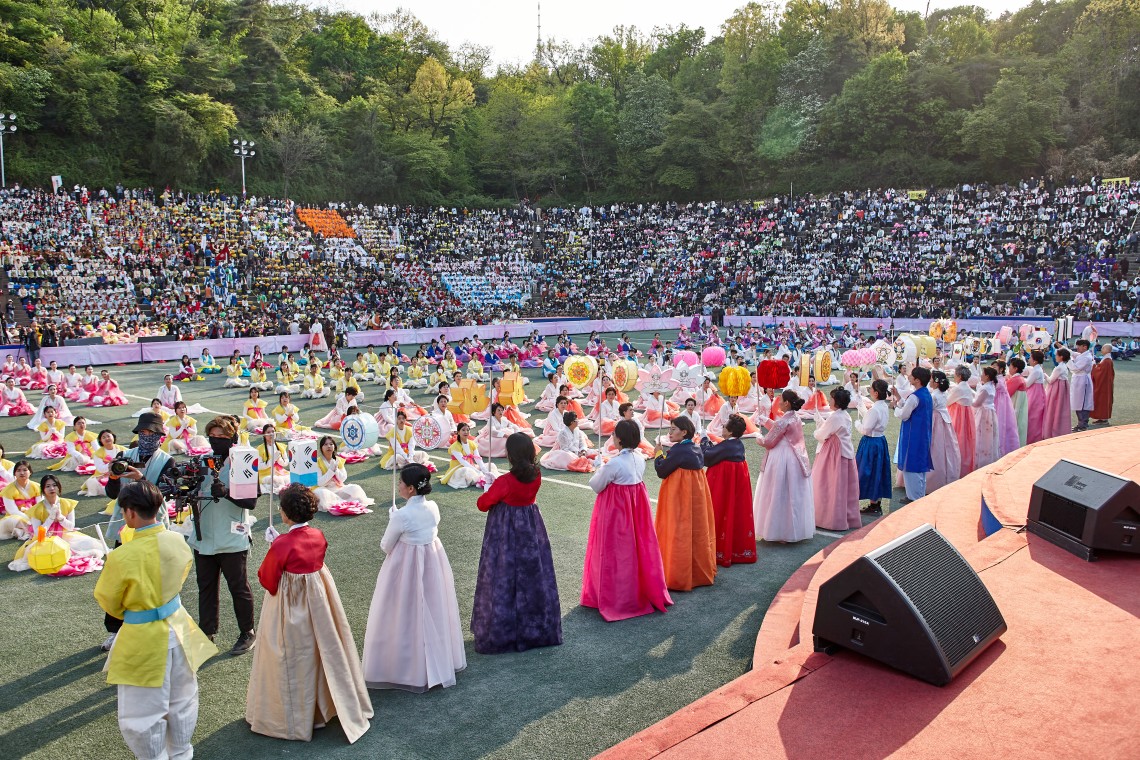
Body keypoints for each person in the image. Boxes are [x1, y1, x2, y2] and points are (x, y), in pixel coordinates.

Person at [94, 480, 218, 760]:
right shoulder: (177, 540)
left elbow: (110, 603)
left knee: (142, 712)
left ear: (129, 513)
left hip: (143, 637)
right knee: (183, 699)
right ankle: (182, 753)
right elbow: (183, 572)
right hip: (179, 627)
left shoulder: (121, 556)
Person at [246, 485, 373, 744]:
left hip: (290, 604)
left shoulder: (282, 544)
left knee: (291, 658)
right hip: (319, 601)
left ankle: (295, 717)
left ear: (286, 514)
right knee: (322, 650)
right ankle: (323, 706)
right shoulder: (317, 534)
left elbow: (268, 580)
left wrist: (274, 545)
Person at [362, 464, 466, 691]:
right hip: (432, 563)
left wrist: (394, 518)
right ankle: (436, 660)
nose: (398, 485)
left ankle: (406, 667)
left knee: (404, 613)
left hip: (406, 567)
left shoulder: (402, 515)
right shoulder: (434, 508)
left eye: (400, 482)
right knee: (433, 609)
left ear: (410, 488)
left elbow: (386, 546)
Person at [472, 433, 562, 653]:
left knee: (503, 577)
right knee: (532, 577)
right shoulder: (537, 474)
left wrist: (489, 486)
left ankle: (504, 630)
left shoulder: (505, 482)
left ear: (511, 454)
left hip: (505, 534)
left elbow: (482, 504)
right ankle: (534, 626)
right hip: (531, 530)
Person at [581, 420, 673, 621]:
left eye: (614, 434)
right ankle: (639, 589)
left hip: (616, 514)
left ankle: (616, 597)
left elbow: (596, 485)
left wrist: (600, 467)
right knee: (637, 550)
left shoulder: (614, 463)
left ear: (619, 439)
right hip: (637, 511)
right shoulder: (639, 458)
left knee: (614, 553)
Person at [184, 416, 259, 656]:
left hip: (232, 537)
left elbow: (251, 502)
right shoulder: (203, 461)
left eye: (222, 437)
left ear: (233, 439)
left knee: (238, 586)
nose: (216, 441)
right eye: (212, 437)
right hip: (203, 535)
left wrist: (227, 492)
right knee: (205, 586)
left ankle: (247, 631)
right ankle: (206, 633)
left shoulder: (244, 460)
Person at [652, 415, 716, 591]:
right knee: (696, 533)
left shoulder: (678, 451)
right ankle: (697, 572)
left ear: (684, 432)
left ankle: (678, 574)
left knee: (679, 533)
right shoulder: (695, 448)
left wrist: (658, 454)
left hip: (680, 499)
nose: (669, 432)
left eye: (673, 429)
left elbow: (662, 470)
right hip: (695, 500)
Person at [8, 474, 105, 572]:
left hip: (65, 536)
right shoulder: (37, 509)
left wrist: (60, 518)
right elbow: (38, 533)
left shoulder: (67, 503)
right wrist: (50, 518)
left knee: (90, 544)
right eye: (48, 486)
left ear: (58, 487)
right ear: (43, 489)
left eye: (54, 485)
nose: (52, 488)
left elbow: (71, 527)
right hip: (44, 540)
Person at [753, 390, 815, 542]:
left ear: (787, 403)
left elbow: (769, 441)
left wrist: (758, 437)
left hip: (781, 458)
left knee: (777, 492)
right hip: (795, 457)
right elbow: (779, 429)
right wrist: (766, 421)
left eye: (781, 401)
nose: (778, 403)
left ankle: (778, 531)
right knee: (792, 494)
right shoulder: (795, 418)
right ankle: (791, 530)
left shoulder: (784, 421)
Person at [699, 414, 757, 566]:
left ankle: (719, 550)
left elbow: (708, 457)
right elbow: (718, 451)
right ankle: (736, 550)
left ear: (730, 432)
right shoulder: (737, 445)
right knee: (736, 514)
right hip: (736, 488)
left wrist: (704, 440)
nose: (722, 428)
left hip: (723, 487)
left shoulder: (726, 446)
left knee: (720, 511)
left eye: (724, 427)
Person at [812, 388, 860, 531]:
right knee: (844, 487)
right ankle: (845, 516)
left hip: (834, 455)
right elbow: (830, 428)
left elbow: (821, 435)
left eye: (832, 398)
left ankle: (828, 518)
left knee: (829, 485)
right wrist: (821, 421)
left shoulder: (835, 417)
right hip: (845, 453)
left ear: (837, 401)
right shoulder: (844, 415)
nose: (830, 400)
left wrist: (818, 427)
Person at [892, 366, 934, 502]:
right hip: (922, 433)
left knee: (911, 465)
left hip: (913, 434)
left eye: (911, 376)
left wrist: (895, 408)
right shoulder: (926, 393)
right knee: (919, 465)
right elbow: (909, 406)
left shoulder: (915, 396)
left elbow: (904, 414)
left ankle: (913, 497)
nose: (908, 377)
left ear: (917, 380)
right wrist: (899, 397)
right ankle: (918, 494)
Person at [854, 379, 891, 515]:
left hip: (871, 443)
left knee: (866, 471)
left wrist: (857, 424)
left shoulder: (875, 409)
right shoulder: (882, 406)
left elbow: (866, 429)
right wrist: (861, 406)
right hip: (880, 441)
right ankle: (876, 502)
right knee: (878, 472)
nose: (869, 391)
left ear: (875, 392)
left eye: (871, 389)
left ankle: (873, 503)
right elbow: (871, 418)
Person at [313, 435, 374, 513]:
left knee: (355, 488)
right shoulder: (317, 462)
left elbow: (343, 478)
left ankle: (342, 502)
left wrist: (336, 469)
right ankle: (338, 503)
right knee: (322, 493)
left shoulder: (338, 460)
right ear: (321, 448)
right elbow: (320, 482)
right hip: (324, 489)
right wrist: (331, 470)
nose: (328, 446)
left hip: (337, 488)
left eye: (331, 444)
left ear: (334, 446)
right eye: (325, 444)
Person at [927, 371, 962, 494]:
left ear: (936, 383)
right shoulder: (943, 393)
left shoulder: (934, 396)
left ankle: (934, 478)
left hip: (936, 420)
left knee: (935, 447)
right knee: (946, 447)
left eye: (931, 380)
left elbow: (929, 408)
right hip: (944, 420)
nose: (929, 381)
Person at [440, 423, 497, 489]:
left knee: (491, 465)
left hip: (471, 465)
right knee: (467, 471)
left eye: (468, 430)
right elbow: (463, 462)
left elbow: (478, 459)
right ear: (458, 432)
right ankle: (483, 479)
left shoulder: (472, 443)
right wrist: (479, 472)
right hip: (458, 468)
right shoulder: (455, 447)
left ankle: (488, 477)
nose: (466, 432)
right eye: (463, 430)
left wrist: (485, 470)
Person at [946, 365, 976, 478]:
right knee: (966, 442)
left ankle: (956, 467)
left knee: (957, 441)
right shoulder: (967, 387)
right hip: (967, 416)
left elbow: (947, 402)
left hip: (959, 417)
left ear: (959, 376)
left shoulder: (958, 389)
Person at [973, 366, 1001, 470]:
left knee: (982, 436)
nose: (981, 375)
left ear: (987, 376)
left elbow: (977, 403)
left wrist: (967, 401)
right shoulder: (991, 385)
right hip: (990, 412)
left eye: (983, 374)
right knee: (989, 437)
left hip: (984, 413)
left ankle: (981, 461)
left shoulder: (985, 388)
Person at [1043, 347, 1073, 439]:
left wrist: (1044, 373)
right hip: (1061, 389)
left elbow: (1051, 380)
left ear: (1061, 357)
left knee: (1053, 409)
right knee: (1060, 410)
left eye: (1057, 355)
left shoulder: (1059, 368)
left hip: (1056, 390)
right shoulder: (1064, 366)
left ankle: (1051, 430)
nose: (1055, 356)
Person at [1069, 339, 1094, 431]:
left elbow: (1075, 368)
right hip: (1079, 379)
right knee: (1078, 402)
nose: (1077, 348)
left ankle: (1083, 424)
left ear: (1085, 347)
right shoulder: (1083, 355)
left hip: (1082, 380)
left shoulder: (1086, 357)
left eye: (1079, 346)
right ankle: (1081, 423)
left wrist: (1067, 359)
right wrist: (1062, 348)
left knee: (1082, 403)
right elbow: (1074, 354)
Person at [1025, 349, 1048, 444]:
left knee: (1033, 416)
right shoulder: (1038, 369)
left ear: (1035, 360)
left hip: (1034, 394)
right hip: (1037, 392)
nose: (1029, 359)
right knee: (1036, 416)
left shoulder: (1036, 370)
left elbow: (1027, 384)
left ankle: (1033, 437)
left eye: (1030, 358)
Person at [1006, 357, 1029, 447]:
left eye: (1010, 367)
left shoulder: (1015, 380)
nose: (1009, 369)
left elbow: (1006, 394)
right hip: (1019, 406)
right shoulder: (1020, 378)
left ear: (1015, 368)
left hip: (1015, 407)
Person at [1091, 344, 1115, 424]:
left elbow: (1100, 372)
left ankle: (1103, 418)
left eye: (1103, 348)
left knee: (1102, 400)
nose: (1101, 349)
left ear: (1106, 349)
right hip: (1104, 384)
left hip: (1103, 385)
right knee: (1101, 400)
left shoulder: (1107, 361)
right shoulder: (1107, 359)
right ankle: (1101, 418)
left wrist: (1094, 366)